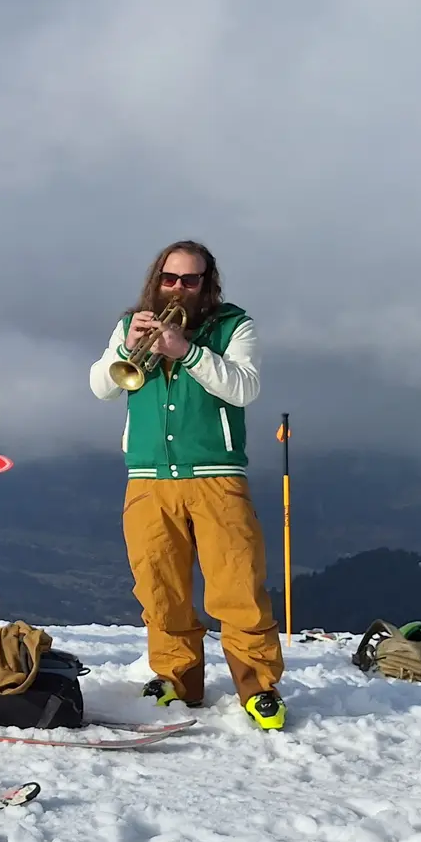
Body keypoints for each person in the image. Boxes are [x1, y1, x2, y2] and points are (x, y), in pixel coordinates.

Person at [88, 242, 285, 730]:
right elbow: (101, 387)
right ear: (157, 279)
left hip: (216, 475)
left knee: (238, 586)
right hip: (148, 478)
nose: (178, 288)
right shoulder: (132, 323)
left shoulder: (235, 326)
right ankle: (174, 678)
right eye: (170, 278)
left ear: (207, 283)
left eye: (190, 280)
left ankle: (258, 686)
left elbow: (244, 387)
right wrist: (125, 348)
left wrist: (187, 352)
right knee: (159, 588)